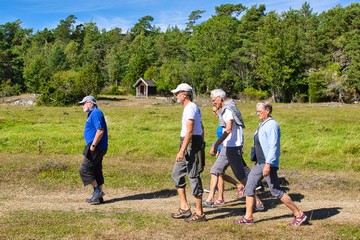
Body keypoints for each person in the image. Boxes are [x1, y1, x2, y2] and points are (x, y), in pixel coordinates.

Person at [234, 101, 307, 226]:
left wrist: (268, 164)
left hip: (267, 163)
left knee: (275, 191)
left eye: (260, 111)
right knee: (249, 187)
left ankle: (299, 214)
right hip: (259, 163)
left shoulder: (272, 125)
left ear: (267, 111)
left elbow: (273, 146)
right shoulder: (263, 124)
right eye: (257, 111)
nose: (258, 114)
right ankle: (248, 217)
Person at [203, 89, 260, 208]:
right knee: (215, 170)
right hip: (228, 146)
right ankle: (210, 199)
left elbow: (228, 129)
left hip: (232, 147)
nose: (214, 103)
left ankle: (258, 202)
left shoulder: (228, 110)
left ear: (220, 98)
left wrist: (216, 144)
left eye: (214, 100)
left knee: (241, 176)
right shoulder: (228, 108)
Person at [170, 83, 206, 223]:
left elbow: (190, 131)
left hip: (190, 145)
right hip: (188, 143)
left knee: (193, 176)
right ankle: (185, 208)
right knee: (176, 174)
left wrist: (182, 150)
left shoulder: (190, 107)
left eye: (177, 93)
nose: (176, 96)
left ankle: (200, 213)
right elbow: (201, 127)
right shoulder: (189, 108)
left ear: (185, 94)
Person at [79, 96, 108, 205]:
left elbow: (100, 131)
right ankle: (98, 198)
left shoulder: (96, 113)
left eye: (84, 103)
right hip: (98, 147)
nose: (83, 105)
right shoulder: (93, 113)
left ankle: (97, 191)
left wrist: (93, 145)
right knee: (96, 170)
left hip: (96, 147)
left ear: (91, 103)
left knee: (84, 169)